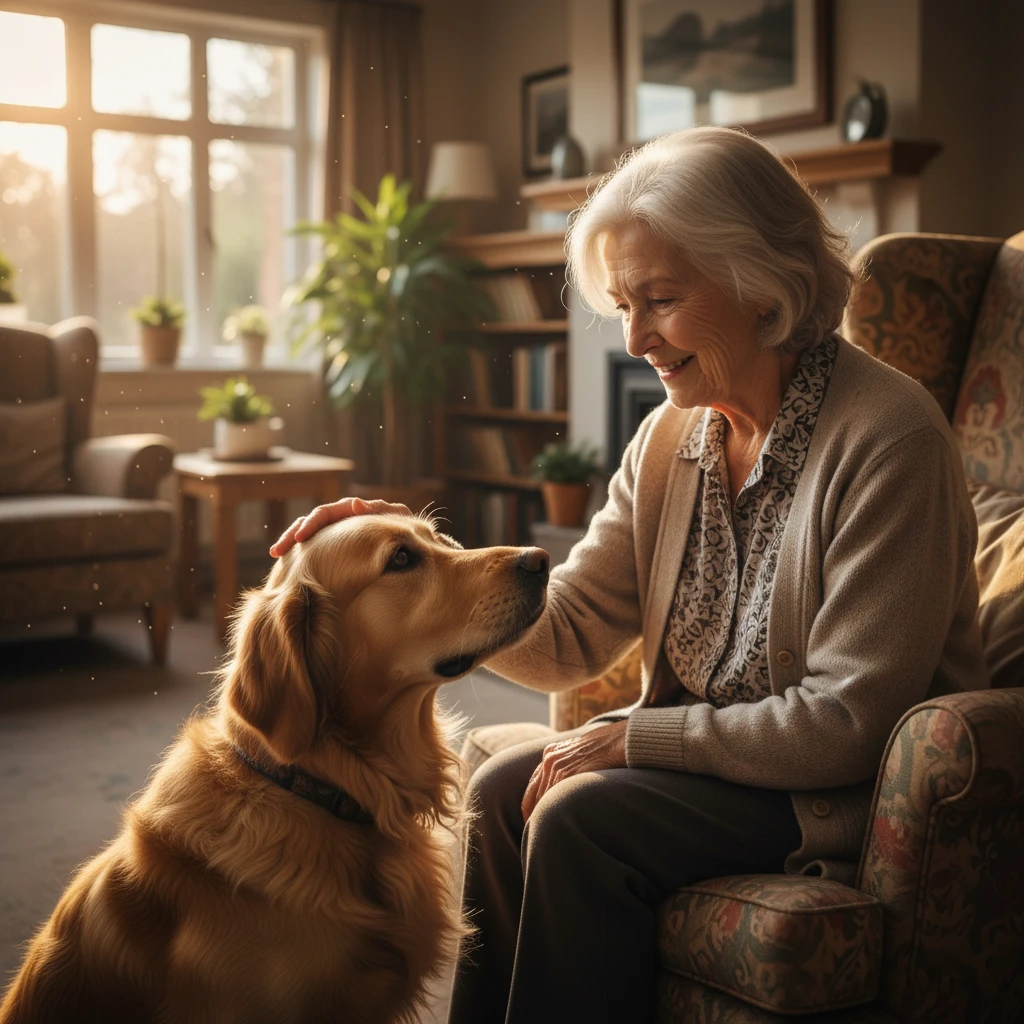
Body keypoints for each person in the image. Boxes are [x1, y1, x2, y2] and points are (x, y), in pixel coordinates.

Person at [270, 127, 988, 1024]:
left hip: (833, 791)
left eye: (661, 299)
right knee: (499, 792)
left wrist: (633, 740)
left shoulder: (891, 440)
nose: (637, 337)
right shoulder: (669, 440)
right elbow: (566, 632)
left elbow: (848, 724)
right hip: (718, 774)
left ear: (761, 284)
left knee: (577, 818)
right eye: (623, 305)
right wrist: (404, 567)